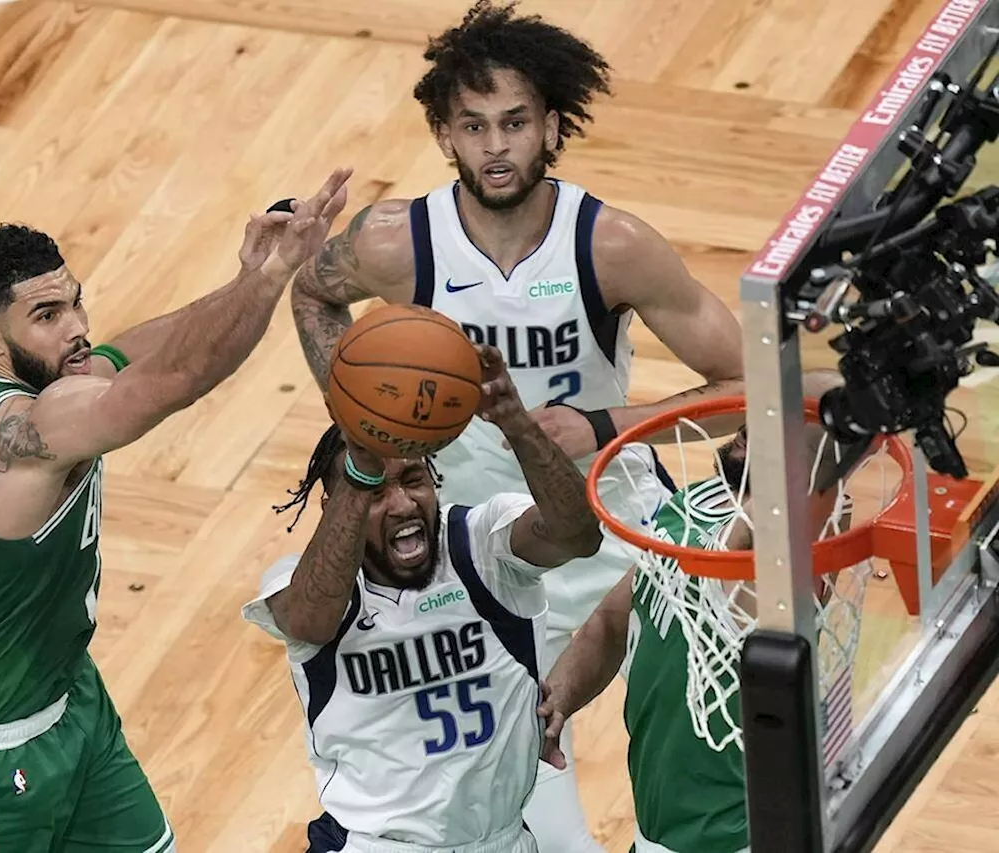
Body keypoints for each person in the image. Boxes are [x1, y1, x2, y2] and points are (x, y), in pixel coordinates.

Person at [288, 2, 743, 847]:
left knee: (701, 766)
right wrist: (362, 416)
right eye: (474, 126)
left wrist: (605, 420)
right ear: (445, 136)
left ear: (552, 127)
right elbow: (313, 291)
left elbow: (746, 381)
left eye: (515, 123)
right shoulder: (399, 243)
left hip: (613, 529)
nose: (495, 146)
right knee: (515, 802)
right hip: (490, 552)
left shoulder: (613, 246)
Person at [0, 168, 352, 853]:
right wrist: (273, 276)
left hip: (67, 703)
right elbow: (175, 381)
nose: (76, 330)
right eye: (47, 316)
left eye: (74, 302)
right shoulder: (22, 438)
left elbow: (134, 353)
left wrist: (243, 279)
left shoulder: (41, 382)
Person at [243, 345, 603, 853]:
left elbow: (578, 535)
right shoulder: (304, 584)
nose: (402, 503)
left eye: (413, 479)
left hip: (503, 839)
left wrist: (514, 421)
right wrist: (358, 470)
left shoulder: (482, 543)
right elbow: (309, 620)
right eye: (374, 490)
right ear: (338, 503)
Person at [536, 373, 853, 853]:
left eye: (774, 421)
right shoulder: (691, 504)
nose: (750, 422)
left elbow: (801, 511)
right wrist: (557, 702)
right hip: (657, 831)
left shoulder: (783, 564)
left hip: (741, 839)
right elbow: (609, 624)